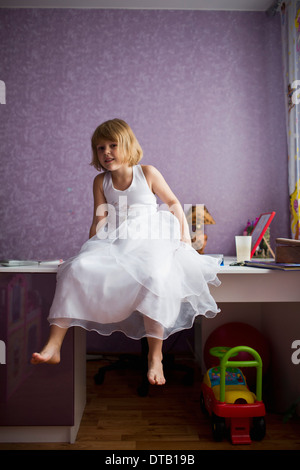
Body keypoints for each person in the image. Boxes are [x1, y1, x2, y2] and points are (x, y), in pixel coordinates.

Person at [31, 118, 221, 386]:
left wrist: (183, 238)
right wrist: (88, 250)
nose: (106, 152)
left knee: (155, 277)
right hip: (116, 239)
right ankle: (53, 346)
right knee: (75, 268)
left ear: (128, 146)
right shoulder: (101, 181)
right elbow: (99, 219)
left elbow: (174, 203)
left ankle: (156, 357)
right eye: (100, 148)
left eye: (112, 145)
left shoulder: (147, 173)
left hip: (150, 238)